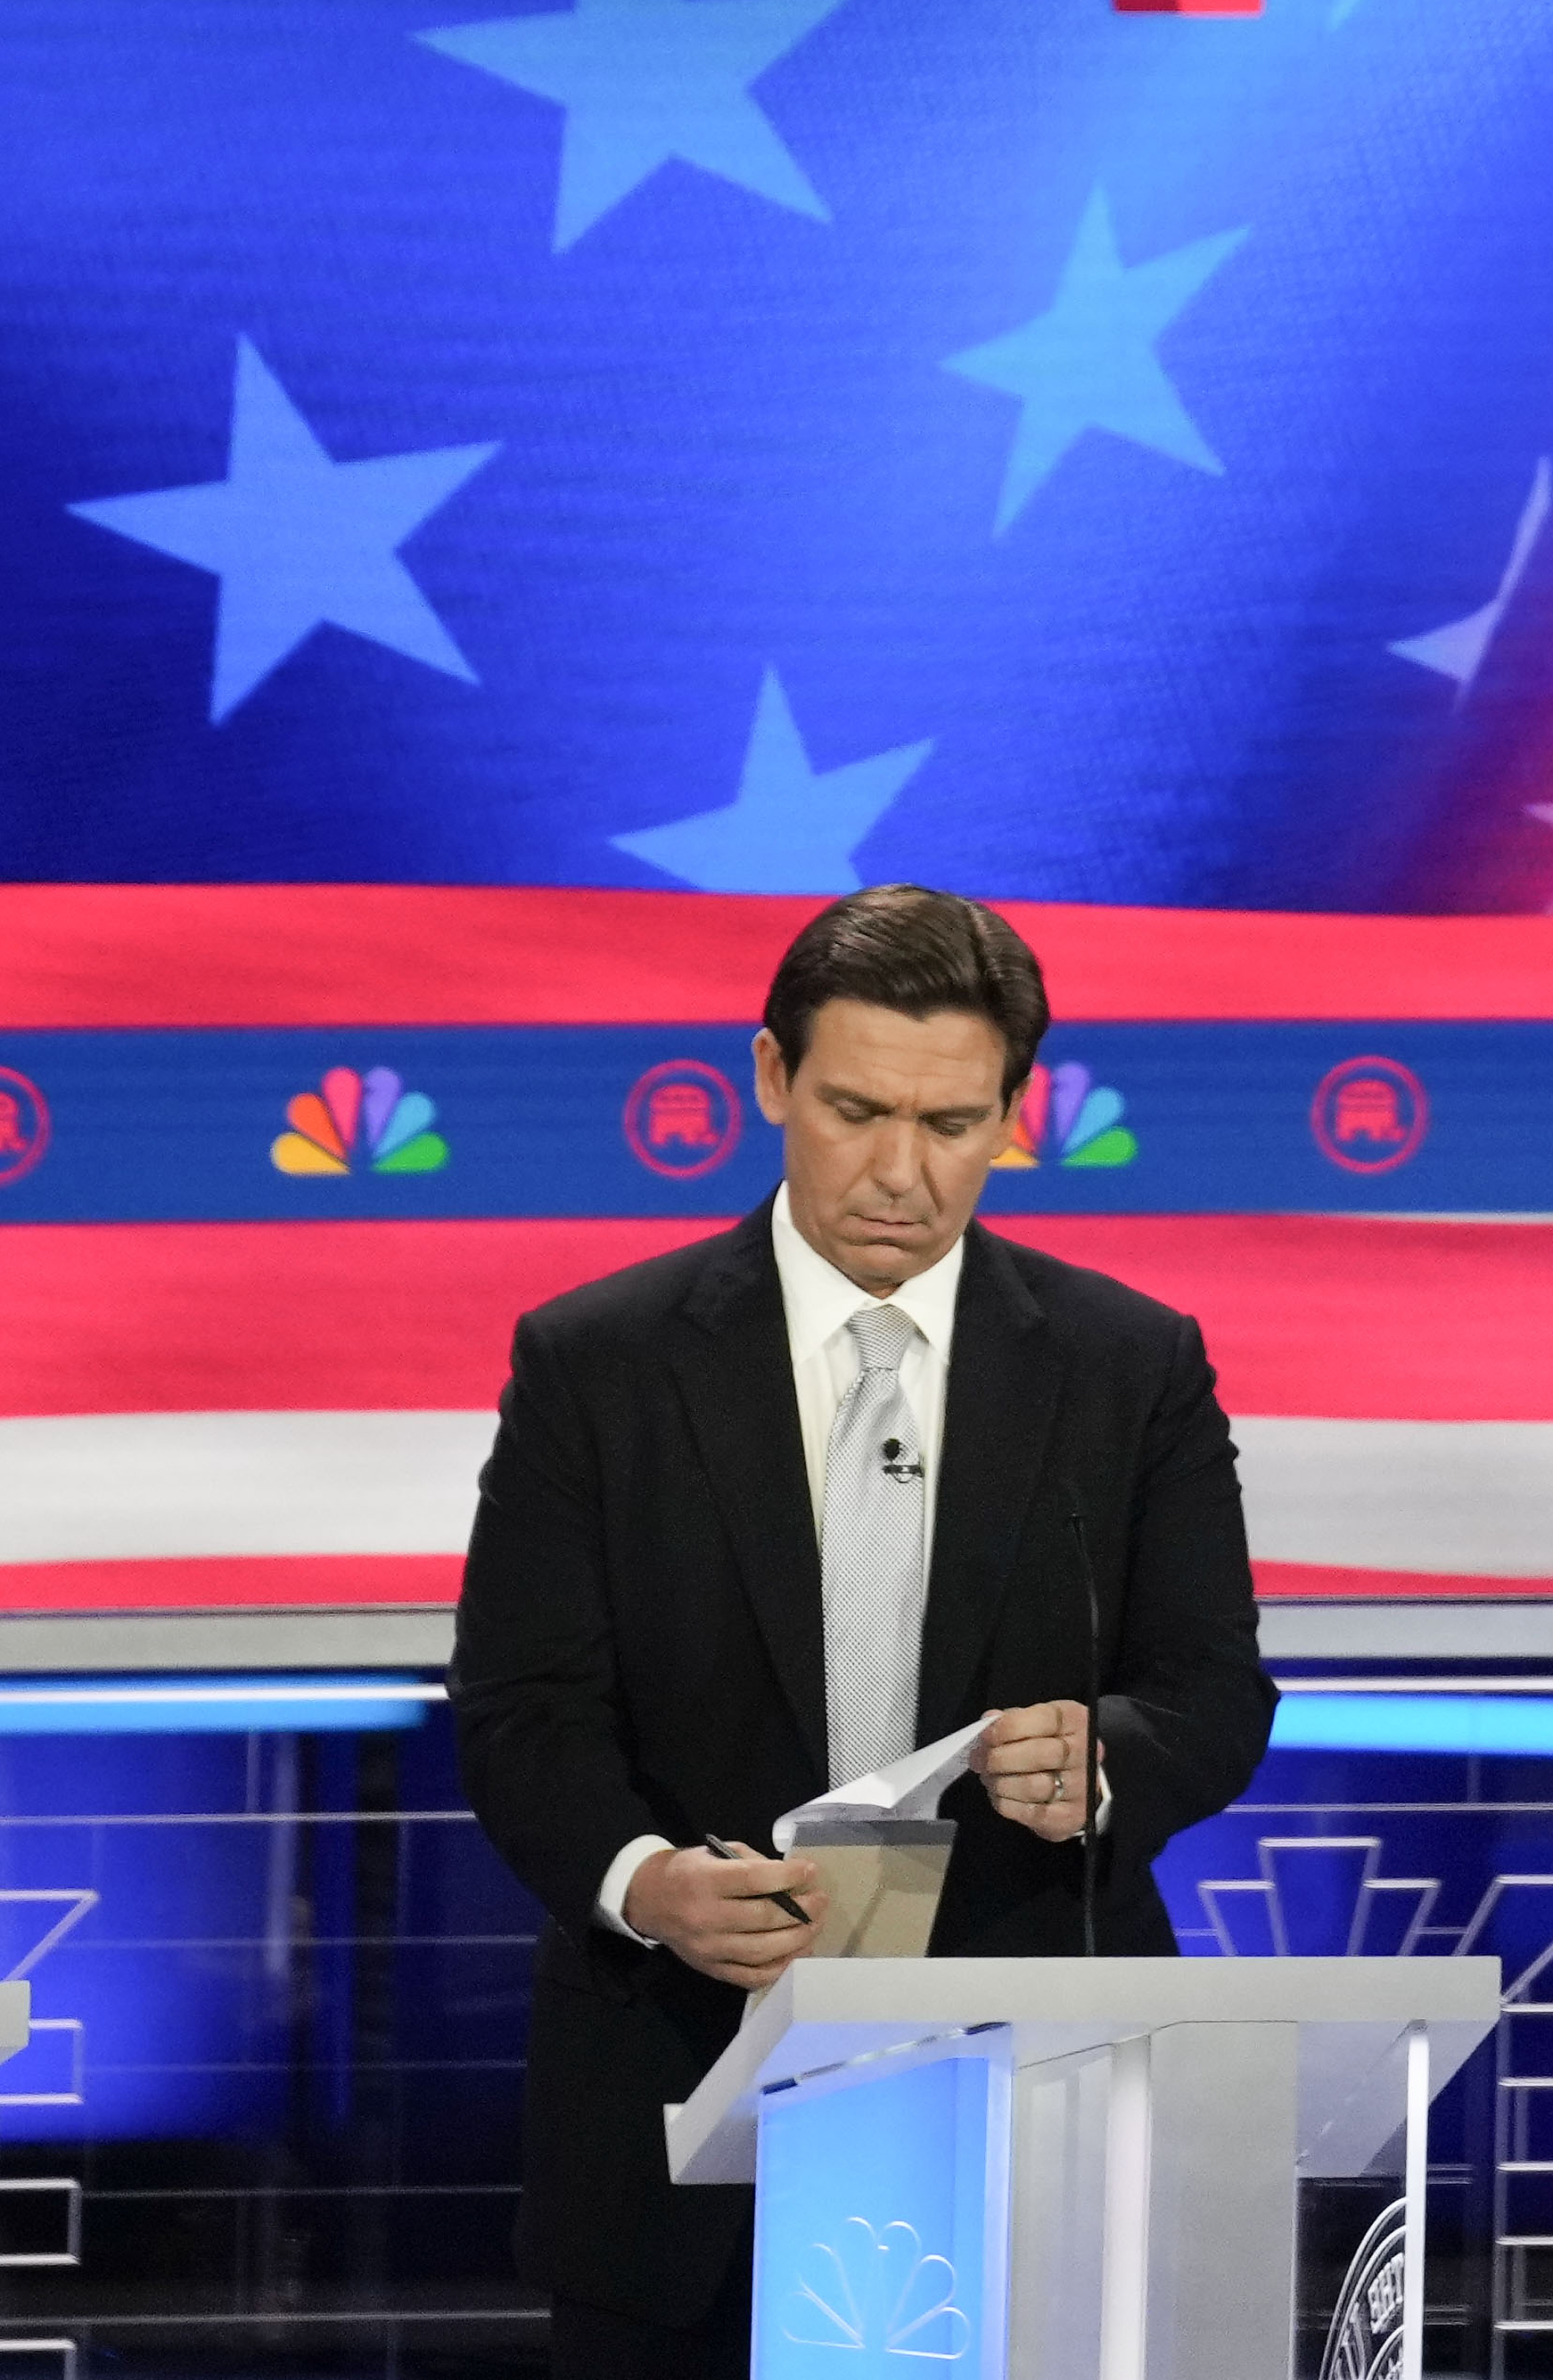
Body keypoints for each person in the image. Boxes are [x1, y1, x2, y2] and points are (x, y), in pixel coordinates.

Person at [453, 886, 1278, 2378]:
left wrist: (1102, 1763)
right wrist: (647, 1884)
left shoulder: (1130, 1367)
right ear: (773, 1078)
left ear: (1015, 1115)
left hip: (1033, 2101)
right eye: (856, 1111)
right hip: (681, 2103)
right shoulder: (598, 1363)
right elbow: (523, 1710)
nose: (901, 1172)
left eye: (953, 1124)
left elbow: (1214, 1690)